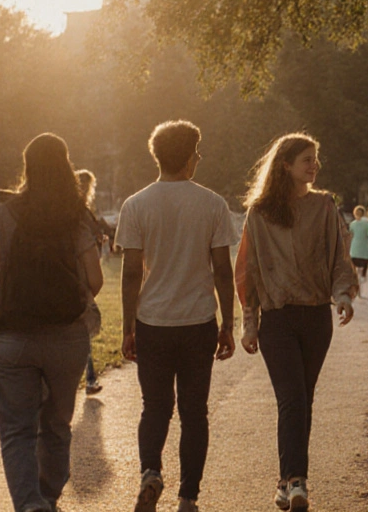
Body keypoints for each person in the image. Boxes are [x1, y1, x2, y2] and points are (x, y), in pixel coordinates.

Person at [0, 133, 104, 512]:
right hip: (67, 339)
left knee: (17, 430)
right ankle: (48, 495)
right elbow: (95, 279)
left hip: (13, 338)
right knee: (57, 426)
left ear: (27, 167)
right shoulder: (75, 215)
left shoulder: (0, 214)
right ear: (65, 166)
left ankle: (30, 504)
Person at [115, 120, 240, 512]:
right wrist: (227, 324)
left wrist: (128, 326)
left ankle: (150, 473)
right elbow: (223, 271)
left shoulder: (135, 205)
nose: (198, 158)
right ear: (188, 157)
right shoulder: (212, 204)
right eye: (197, 152)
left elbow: (131, 273)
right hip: (198, 322)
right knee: (194, 413)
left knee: (154, 407)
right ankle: (188, 497)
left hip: (152, 322)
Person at [235, 134, 360, 511]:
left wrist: (343, 295)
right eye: (307, 159)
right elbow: (248, 270)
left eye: (316, 158)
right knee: (292, 398)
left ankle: (285, 481)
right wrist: (249, 322)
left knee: (302, 399)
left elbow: (339, 256)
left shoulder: (324, 206)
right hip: (277, 319)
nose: (314, 165)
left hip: (316, 316)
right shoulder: (259, 213)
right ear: (285, 165)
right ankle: (297, 481)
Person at [77, 170, 106, 395]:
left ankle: (89, 378)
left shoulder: (77, 212)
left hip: (78, 278)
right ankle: (89, 379)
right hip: (81, 278)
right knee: (83, 332)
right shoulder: (81, 213)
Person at [348, 205, 368, 280]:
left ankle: (355, 274)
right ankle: (363, 275)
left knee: (354, 260)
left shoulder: (352, 224)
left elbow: (350, 234)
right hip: (364, 245)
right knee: (365, 260)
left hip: (354, 245)